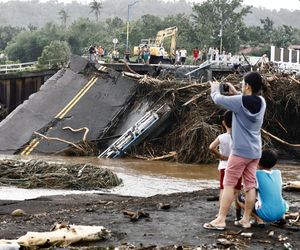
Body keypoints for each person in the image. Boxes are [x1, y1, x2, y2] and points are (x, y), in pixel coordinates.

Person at [203, 71, 266, 230]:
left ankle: (221, 219)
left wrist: (214, 88)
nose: (241, 86)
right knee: (250, 185)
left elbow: (217, 98)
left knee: (229, 184)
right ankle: (245, 220)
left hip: (239, 152)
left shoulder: (239, 101)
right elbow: (246, 102)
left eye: (242, 83)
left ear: (248, 86)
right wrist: (236, 92)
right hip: (255, 151)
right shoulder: (262, 102)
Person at [236, 149, 288, 226]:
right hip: (281, 211)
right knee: (275, 194)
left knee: (239, 198)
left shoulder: (256, 174)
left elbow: (247, 190)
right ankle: (281, 218)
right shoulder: (278, 173)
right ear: (275, 163)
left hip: (266, 214)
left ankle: (259, 220)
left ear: (258, 161)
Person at [209, 110, 242, 221]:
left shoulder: (222, 137)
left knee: (223, 189)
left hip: (224, 165)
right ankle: (238, 214)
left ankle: (221, 213)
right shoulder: (239, 137)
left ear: (223, 123)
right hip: (237, 165)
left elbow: (211, 147)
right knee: (237, 190)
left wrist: (221, 156)